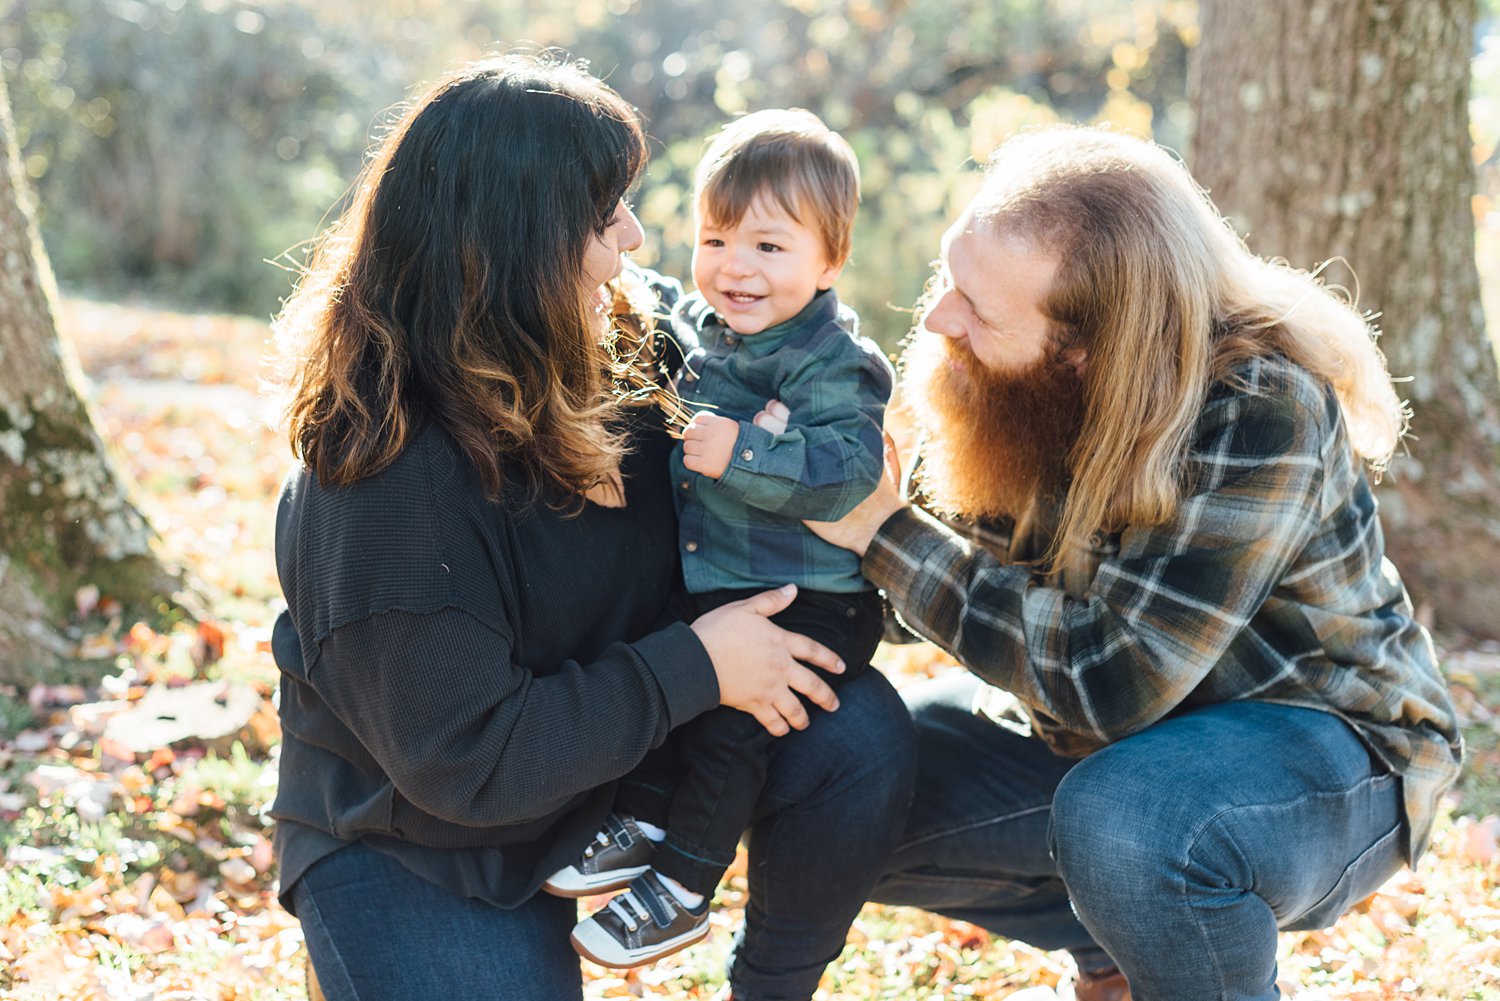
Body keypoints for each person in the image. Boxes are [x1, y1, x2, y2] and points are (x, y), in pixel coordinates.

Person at [266, 54, 915, 1001]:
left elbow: (794, 373)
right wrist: (698, 664)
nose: (638, 237)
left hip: (611, 770)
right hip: (428, 840)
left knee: (852, 728)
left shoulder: (625, 347)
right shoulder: (381, 484)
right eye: (606, 212)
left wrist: (827, 458)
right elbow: (466, 758)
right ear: (520, 240)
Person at [806, 125, 1464, 1001]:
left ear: (1085, 347)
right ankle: (1126, 945)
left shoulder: (1259, 407)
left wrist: (886, 534)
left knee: (1133, 818)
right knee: (825, 778)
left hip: (1328, 753)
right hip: (1099, 751)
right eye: (949, 277)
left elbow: (1109, 677)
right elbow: (913, 588)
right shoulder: (1007, 380)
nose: (937, 319)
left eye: (976, 306)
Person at [551, 109, 894, 969]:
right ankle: (645, 816)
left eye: (770, 248)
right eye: (716, 240)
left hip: (812, 598)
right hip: (730, 579)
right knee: (673, 661)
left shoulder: (833, 363)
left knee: (734, 722)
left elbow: (851, 470)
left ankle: (683, 886)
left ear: (831, 259)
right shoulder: (713, 340)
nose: (735, 267)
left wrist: (747, 449)